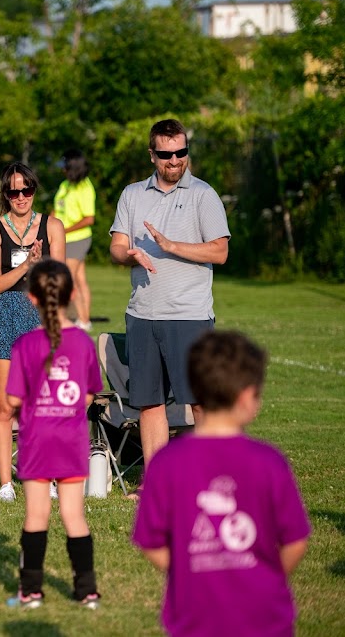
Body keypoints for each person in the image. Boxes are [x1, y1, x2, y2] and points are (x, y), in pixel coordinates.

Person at [132, 330, 311, 635]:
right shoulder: (269, 461)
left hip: (193, 615)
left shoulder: (165, 463)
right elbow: (295, 540)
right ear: (246, 397)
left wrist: (187, 574)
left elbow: (149, 541)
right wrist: (265, 578)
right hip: (264, 616)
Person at [109, 119, 230, 499]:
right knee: (149, 403)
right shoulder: (131, 194)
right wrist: (128, 255)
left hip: (189, 315)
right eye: (166, 154)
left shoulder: (203, 195)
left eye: (180, 152)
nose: (174, 160)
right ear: (152, 155)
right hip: (143, 314)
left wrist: (172, 246)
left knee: (200, 402)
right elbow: (116, 246)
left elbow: (220, 251)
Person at [4, 259, 103, 609]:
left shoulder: (25, 345)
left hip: (36, 441)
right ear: (72, 294)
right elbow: (90, 392)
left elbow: (13, 398)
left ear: (31, 298)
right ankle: (86, 591)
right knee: (74, 516)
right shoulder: (84, 343)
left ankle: (30, 591)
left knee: (36, 516)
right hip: (71, 440)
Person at [0, 162, 66, 503]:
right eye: (13, 191)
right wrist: (25, 266)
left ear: (34, 189)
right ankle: (5, 484)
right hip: (5, 316)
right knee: (4, 407)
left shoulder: (53, 226)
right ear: (6, 194)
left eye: (26, 190)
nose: (20, 197)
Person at [53, 149, 96, 331]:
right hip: (64, 238)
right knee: (78, 279)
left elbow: (89, 218)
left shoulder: (85, 188)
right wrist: (47, 226)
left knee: (65, 278)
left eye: (65, 167)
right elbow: (57, 210)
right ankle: (84, 320)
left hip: (78, 240)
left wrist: (64, 230)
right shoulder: (65, 185)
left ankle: (63, 318)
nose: (62, 170)